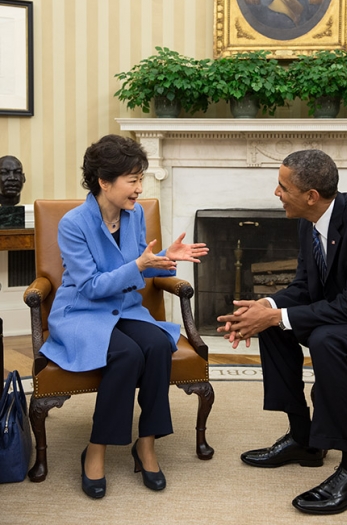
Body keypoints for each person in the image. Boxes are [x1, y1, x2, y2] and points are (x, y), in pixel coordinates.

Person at [217, 149, 347, 516]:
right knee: (276, 324)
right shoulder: (308, 220)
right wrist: (264, 308)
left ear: (311, 195)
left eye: (283, 187)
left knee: (326, 339)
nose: (276, 193)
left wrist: (276, 315)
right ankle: (305, 439)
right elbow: (304, 286)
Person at [40, 134, 209, 499]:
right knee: (128, 353)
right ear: (104, 182)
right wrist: (140, 264)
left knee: (158, 345)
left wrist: (165, 256)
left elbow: (137, 265)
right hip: (83, 312)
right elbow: (91, 287)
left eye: (140, 179)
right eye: (132, 180)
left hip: (125, 309)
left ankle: (146, 444)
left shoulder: (132, 216)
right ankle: (96, 448)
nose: (138, 188)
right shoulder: (73, 224)